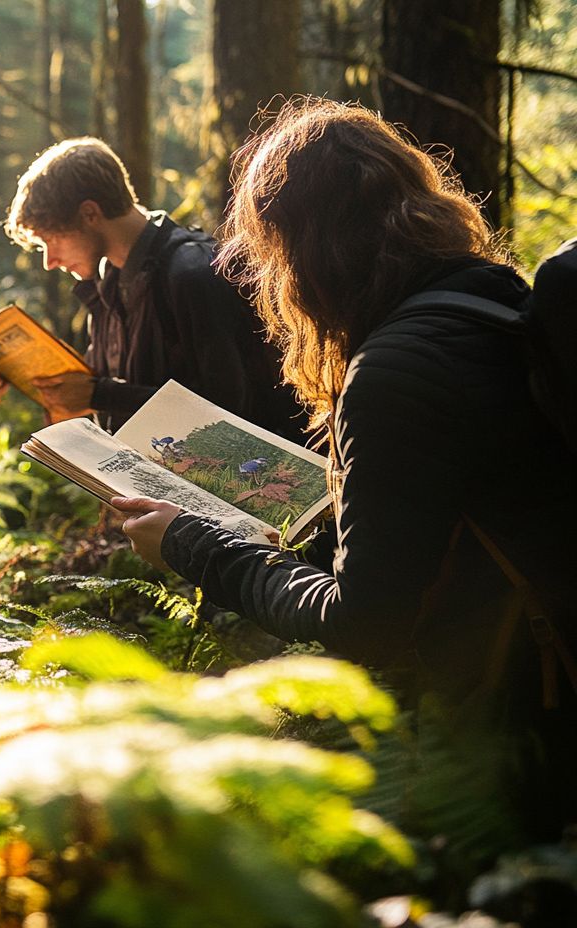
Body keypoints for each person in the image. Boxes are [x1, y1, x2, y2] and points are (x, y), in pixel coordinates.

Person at [112, 98, 576, 847]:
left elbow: (367, 624)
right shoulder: (494, 301)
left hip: (513, 731)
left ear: (301, 250)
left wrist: (196, 547)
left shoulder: (395, 369)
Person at [0, 136, 303, 438]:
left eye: (51, 240)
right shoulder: (107, 287)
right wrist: (20, 374)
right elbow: (100, 391)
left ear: (90, 213)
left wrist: (99, 395)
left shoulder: (194, 273)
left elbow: (230, 409)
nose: (50, 261)